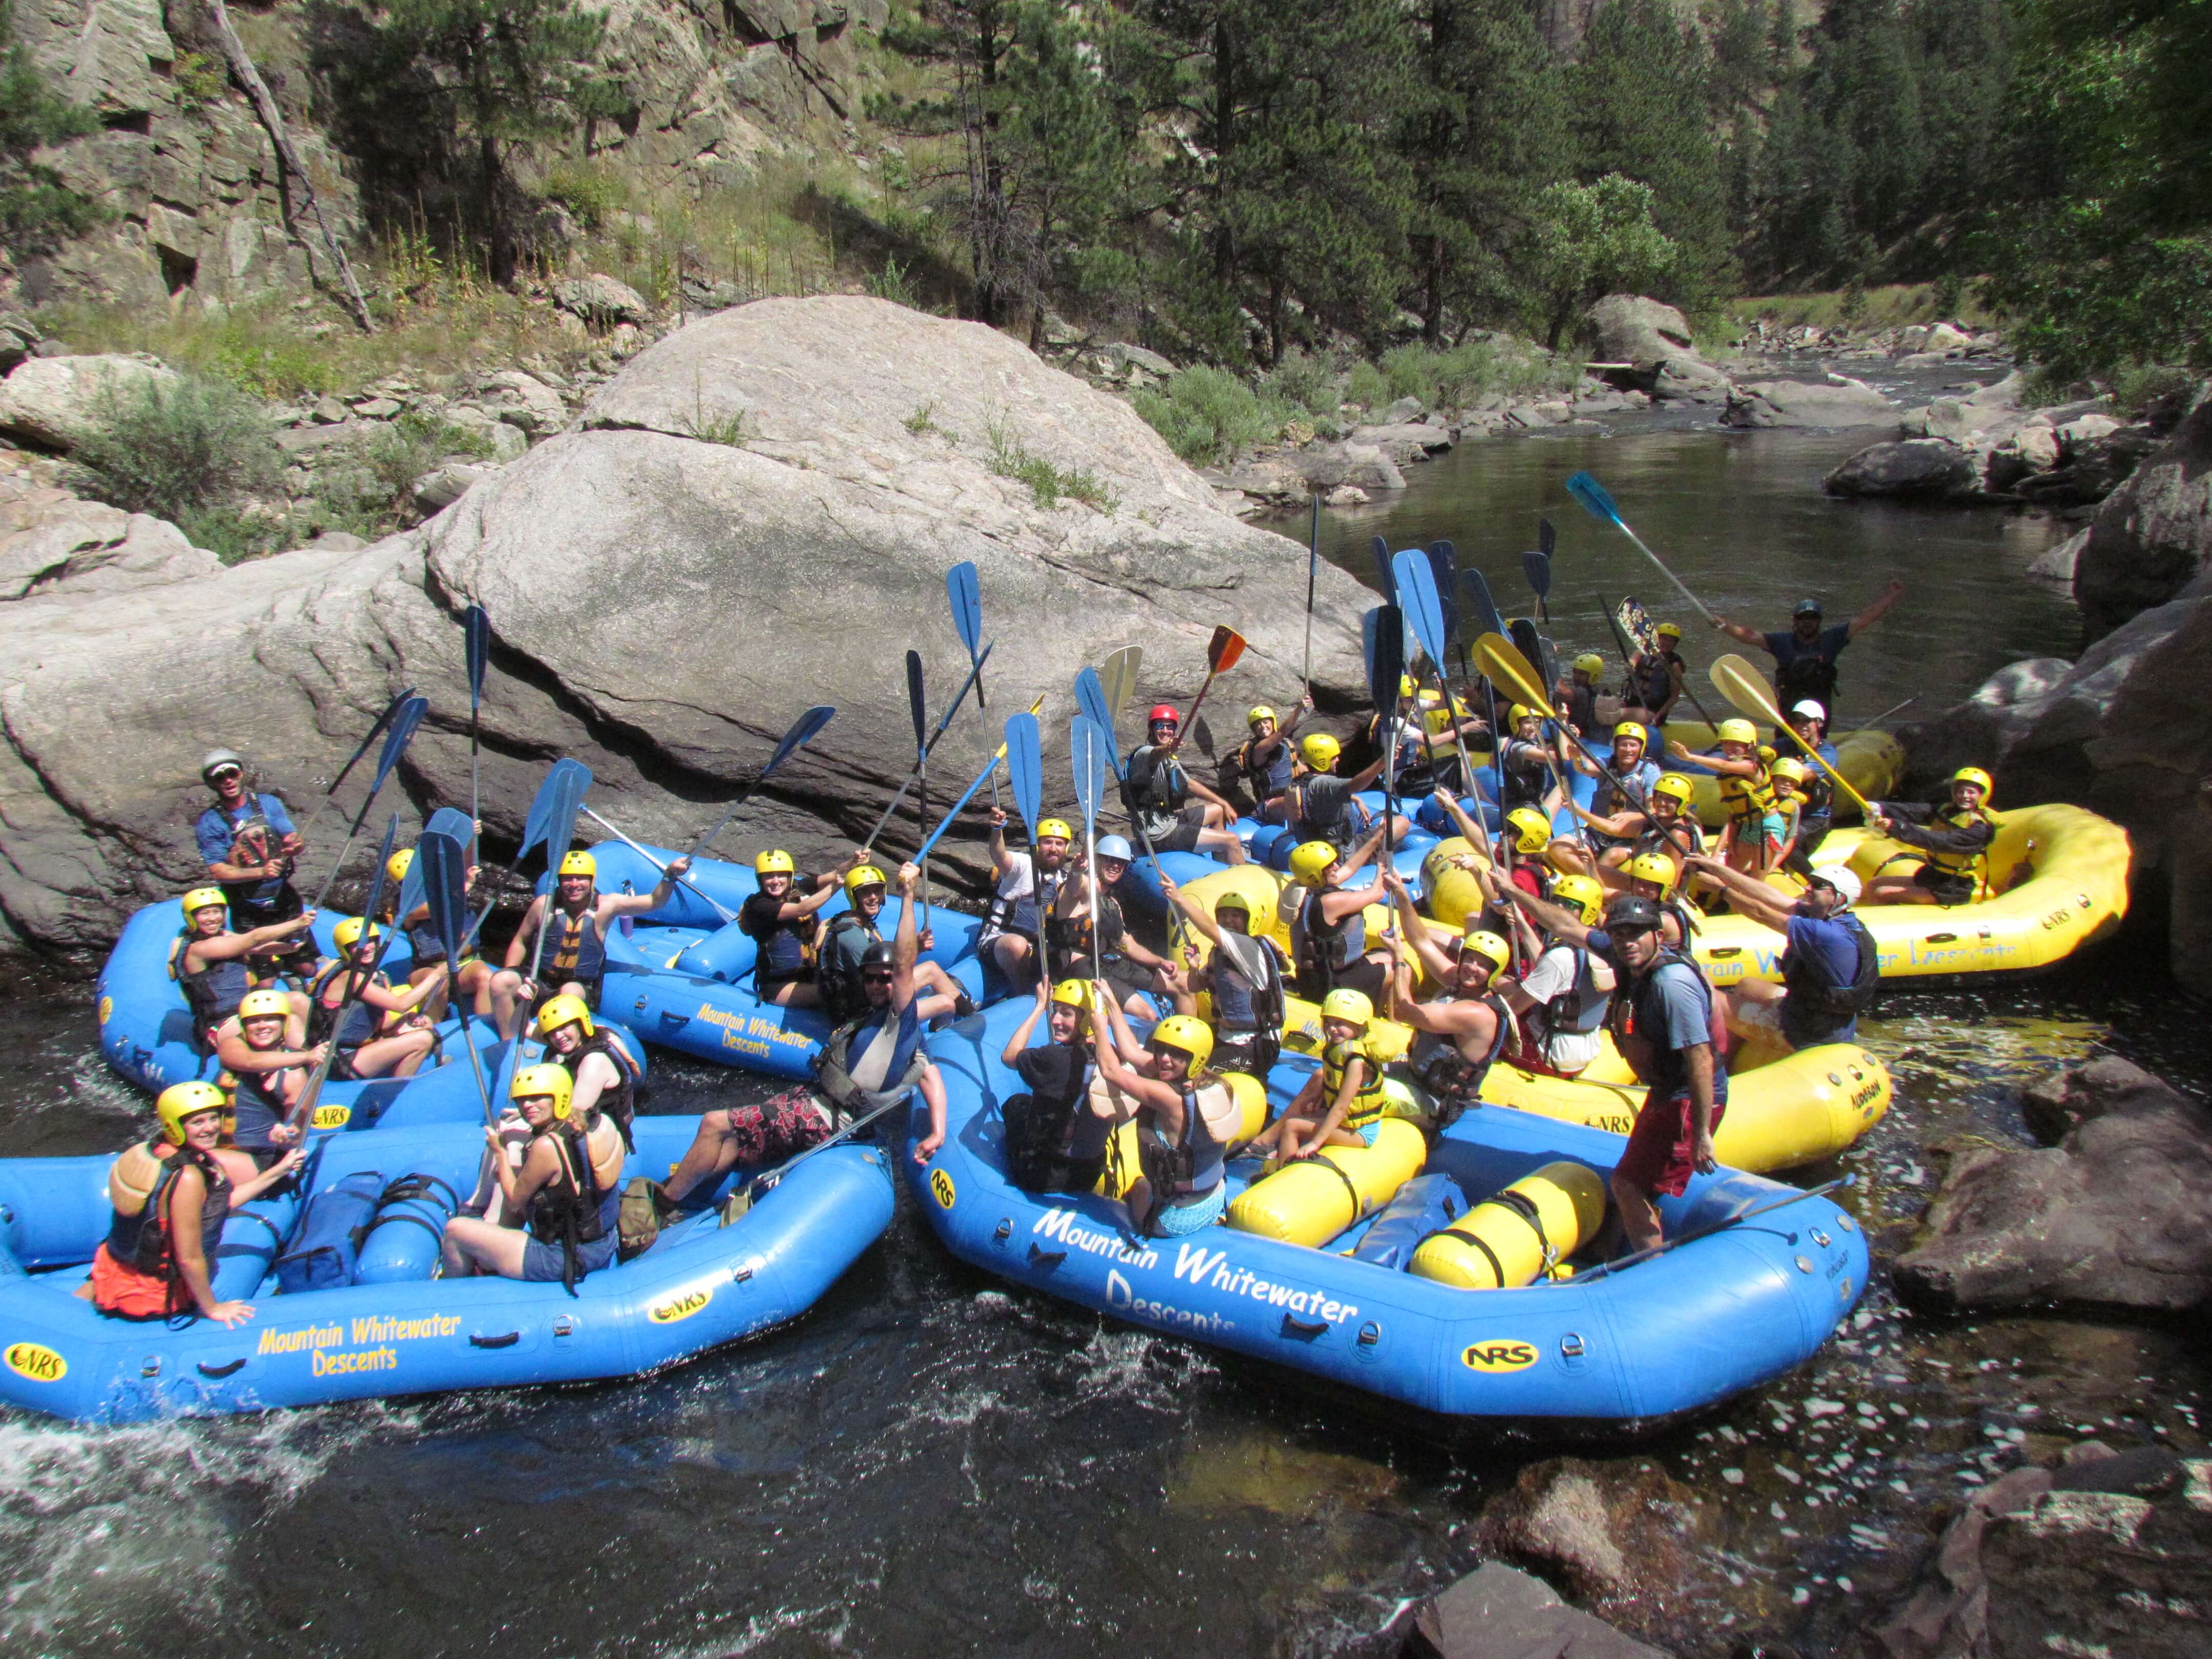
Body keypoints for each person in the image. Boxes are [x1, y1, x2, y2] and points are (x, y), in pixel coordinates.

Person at [649, 863, 948, 1215]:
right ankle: (689, 1196)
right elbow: (929, 1074)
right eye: (869, 979)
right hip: (812, 1101)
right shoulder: (891, 1026)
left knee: (714, 1122)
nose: (877, 986)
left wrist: (909, 894)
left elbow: (902, 966)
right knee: (733, 1138)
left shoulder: (897, 1020)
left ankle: (664, 1205)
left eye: (885, 980)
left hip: (824, 1118)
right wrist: (938, 1130)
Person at [86, 1081, 303, 1325]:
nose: (210, 1129)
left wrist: (277, 1172)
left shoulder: (153, 1151)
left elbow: (218, 1206)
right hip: (153, 1293)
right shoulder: (187, 1177)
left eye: (214, 1119)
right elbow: (189, 1258)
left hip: (112, 1270)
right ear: (175, 1126)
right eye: (197, 1122)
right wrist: (213, 1309)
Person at [1591, 894, 1728, 1251]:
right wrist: (1511, 894)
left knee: (1627, 1184)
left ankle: (1651, 1268)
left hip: (1684, 1099)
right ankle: (1635, 1244)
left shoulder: (1671, 985)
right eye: (1619, 935)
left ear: (1657, 935)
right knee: (1635, 1182)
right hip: (1667, 1091)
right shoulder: (1632, 963)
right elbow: (1568, 928)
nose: (1627, 942)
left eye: (1636, 933)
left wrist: (1701, 1134)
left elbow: (1700, 1058)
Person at [440, 1063, 627, 1288]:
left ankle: (449, 1298)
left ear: (559, 1096)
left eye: (538, 1098)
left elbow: (514, 1202)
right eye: (522, 1100)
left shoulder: (547, 1147)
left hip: (561, 1256)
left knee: (455, 1230)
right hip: (603, 1243)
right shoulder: (588, 1123)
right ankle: (488, 1260)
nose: (528, 1106)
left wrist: (500, 1151)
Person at [493, 849, 694, 1035]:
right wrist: (514, 973)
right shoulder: (543, 906)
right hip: (541, 980)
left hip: (578, 985)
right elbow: (520, 941)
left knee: (569, 994)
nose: (574, 884)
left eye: (581, 878)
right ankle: (508, 1040)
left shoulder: (607, 906)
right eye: (568, 879)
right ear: (559, 881)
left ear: (592, 880)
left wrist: (669, 876)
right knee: (501, 981)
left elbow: (654, 902)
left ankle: (556, 1043)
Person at [1688, 859, 1879, 1050]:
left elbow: (1760, 913)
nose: (1808, 888)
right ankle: (1731, 1057)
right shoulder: (1837, 920)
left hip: (1808, 1034)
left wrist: (1721, 891)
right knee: (1748, 986)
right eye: (1810, 882)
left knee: (1706, 997)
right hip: (1818, 1019)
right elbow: (1770, 896)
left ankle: (1715, 1066)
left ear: (1840, 898)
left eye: (1819, 886)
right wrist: (1717, 869)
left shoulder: (1825, 934)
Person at [1090, 1004, 1241, 1235]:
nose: (1165, 1059)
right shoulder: (1211, 1083)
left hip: (1177, 1217)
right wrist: (1111, 1005)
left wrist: (1100, 1030)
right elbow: (1131, 1051)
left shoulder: (1170, 1099)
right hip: (1214, 1197)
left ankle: (1148, 1228)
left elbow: (1111, 1071)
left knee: (1141, 1186)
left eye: (1177, 1054)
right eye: (1160, 1049)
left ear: (1195, 1059)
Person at [1379, 870, 1514, 1130]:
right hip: (1414, 1078)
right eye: (1470, 959)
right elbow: (1421, 941)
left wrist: (1398, 959)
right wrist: (1402, 896)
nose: (1472, 968)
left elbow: (1406, 1012)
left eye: (1483, 965)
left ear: (1494, 973)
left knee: (1355, 1086)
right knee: (1345, 1072)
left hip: (1436, 1102)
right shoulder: (1461, 983)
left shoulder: (1476, 1013)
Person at [1484, 869, 1615, 1080]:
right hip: (1580, 1050)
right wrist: (1521, 922)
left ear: (1588, 911)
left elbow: (1513, 1009)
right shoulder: (1600, 947)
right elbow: (1551, 967)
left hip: (1548, 1057)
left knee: (1490, 999)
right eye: (1557, 901)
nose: (1560, 908)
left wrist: (1478, 1007)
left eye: (1570, 906)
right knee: (1505, 983)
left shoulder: (1562, 957)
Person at [193, 748, 313, 970]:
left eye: (232, 773)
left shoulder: (269, 804)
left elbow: (292, 838)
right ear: (212, 783)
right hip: (246, 906)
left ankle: (292, 975)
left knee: (308, 968)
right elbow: (218, 871)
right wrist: (260, 872)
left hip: (282, 899)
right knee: (264, 977)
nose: (228, 781)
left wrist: (295, 845)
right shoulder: (209, 823)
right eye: (220, 777)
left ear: (241, 774)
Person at [1712, 583, 1906, 714]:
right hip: (1788, 706)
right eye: (1803, 619)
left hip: (1818, 709)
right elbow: (1750, 636)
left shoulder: (1832, 639)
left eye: (1812, 618)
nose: (1808, 623)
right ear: (1795, 622)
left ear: (1819, 621)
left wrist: (1892, 596)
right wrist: (1724, 625)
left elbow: (1865, 620)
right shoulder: (1782, 642)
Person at [1162, 877, 1288, 1077]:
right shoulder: (1219, 953)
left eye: (1236, 915)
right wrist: (1194, 967)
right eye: (1223, 915)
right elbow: (1195, 986)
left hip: (1255, 1043)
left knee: (1191, 1074)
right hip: (1227, 1036)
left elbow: (1210, 929)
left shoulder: (1248, 947)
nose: (1229, 920)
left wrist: (1179, 898)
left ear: (1249, 920)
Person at [1241, 988, 1390, 1159]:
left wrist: (1316, 1143)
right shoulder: (1342, 1050)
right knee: (1303, 1114)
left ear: (1359, 1025)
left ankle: (1283, 1169)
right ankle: (1275, 1148)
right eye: (1328, 1023)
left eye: (1340, 1023)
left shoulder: (1356, 1063)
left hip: (1360, 1132)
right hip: (1348, 1123)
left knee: (1292, 1126)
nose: (1332, 1029)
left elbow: (1341, 1108)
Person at [819, 863, 974, 1026]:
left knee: (931, 970)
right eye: (865, 892)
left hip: (870, 997)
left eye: (877, 890)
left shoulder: (860, 923)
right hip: (864, 1013)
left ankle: (967, 1015)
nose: (873, 897)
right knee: (943, 1000)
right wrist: (916, 949)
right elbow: (886, 979)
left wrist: (917, 947)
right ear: (853, 897)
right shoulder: (853, 938)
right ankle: (970, 1020)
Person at [997, 979, 1113, 1194]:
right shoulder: (1112, 1058)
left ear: (1087, 1018)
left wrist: (1039, 1007)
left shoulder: (1054, 1059)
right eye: (1054, 1011)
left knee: (1016, 1104)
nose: (1055, 1020)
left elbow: (1009, 1056)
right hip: (1088, 1175)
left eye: (1066, 1014)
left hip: (1044, 1176)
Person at [168, 886, 316, 1045]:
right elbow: (254, 939)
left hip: (246, 1009)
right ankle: (302, 1062)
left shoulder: (226, 936)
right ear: (191, 918)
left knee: (299, 1000)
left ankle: (318, 1046)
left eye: (216, 912)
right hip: (221, 1022)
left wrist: (290, 947)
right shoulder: (198, 949)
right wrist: (296, 924)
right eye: (205, 914)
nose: (212, 919)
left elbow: (257, 947)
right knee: (290, 1021)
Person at [1044, 844, 1175, 1017]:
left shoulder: (1112, 904)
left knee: (1180, 983)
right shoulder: (1084, 887)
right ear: (1096, 860)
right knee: (1147, 1014)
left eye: (1121, 863)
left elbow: (1127, 945)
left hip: (1106, 962)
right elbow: (1074, 886)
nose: (1115, 866)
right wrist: (1076, 871)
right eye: (1110, 859)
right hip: (1077, 964)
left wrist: (1160, 963)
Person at [308, 917, 445, 1079]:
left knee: (423, 1025)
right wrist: (436, 976)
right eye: (357, 945)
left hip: (362, 1048)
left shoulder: (379, 978)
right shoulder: (350, 979)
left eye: (370, 941)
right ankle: (397, 1089)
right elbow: (400, 1005)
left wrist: (405, 1019)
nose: (366, 948)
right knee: (423, 1040)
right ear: (345, 950)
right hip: (337, 1058)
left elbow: (383, 1026)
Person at [211, 986, 326, 1164]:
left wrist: (287, 1135)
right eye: (254, 1021)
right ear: (244, 1027)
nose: (262, 1026)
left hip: (261, 1156)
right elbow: (251, 1062)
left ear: (285, 1024)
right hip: (223, 1148)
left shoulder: (294, 1075)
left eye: (271, 1019)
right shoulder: (232, 1046)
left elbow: (296, 1129)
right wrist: (307, 1056)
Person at [1121, 704, 1246, 862]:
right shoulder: (1143, 754)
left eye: (1170, 727)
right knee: (1232, 840)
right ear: (1151, 729)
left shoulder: (1169, 760)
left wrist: (1224, 803)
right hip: (1158, 836)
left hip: (1170, 820)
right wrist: (1167, 748)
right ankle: (1243, 882)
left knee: (1218, 810)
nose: (1165, 731)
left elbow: (1190, 784)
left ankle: (1221, 863)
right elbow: (1154, 755)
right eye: (1160, 726)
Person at [386, 846, 495, 1025]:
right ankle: (433, 1030)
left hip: (463, 966)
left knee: (485, 976)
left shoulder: (446, 889)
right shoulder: (406, 907)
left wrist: (470, 837)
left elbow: (465, 864)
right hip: (429, 969)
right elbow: (432, 909)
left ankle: (484, 1029)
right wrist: (464, 887)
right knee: (437, 983)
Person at [1864, 767, 1997, 906]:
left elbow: (1939, 841)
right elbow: (1915, 811)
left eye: (1971, 793)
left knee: (1882, 893)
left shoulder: (1980, 829)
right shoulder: (1948, 811)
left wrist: (1895, 827)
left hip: (1952, 887)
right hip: (1932, 876)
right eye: (1960, 791)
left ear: (1983, 795)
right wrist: (1881, 808)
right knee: (1875, 884)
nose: (1965, 796)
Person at [1285, 832, 1393, 1002]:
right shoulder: (1331, 902)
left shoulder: (1305, 890)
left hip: (1316, 979)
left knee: (1389, 955)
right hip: (1332, 984)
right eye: (1331, 865)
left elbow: (1349, 868)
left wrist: (1376, 839)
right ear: (1317, 873)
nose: (1336, 867)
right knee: (1400, 969)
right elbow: (1378, 893)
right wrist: (1381, 868)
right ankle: (1382, 1018)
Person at [1670, 719, 1782, 877]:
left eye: (1735, 744)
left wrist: (1690, 757)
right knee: (1730, 873)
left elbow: (1722, 765)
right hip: (1747, 826)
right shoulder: (1729, 773)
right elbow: (1734, 812)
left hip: (1767, 826)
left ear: (1749, 745)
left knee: (1757, 879)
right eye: (1726, 743)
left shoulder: (1751, 766)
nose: (1729, 748)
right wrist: (1731, 843)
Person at [979, 810, 1075, 988]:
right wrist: (997, 829)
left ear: (1066, 849)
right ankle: (1021, 992)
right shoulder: (1022, 865)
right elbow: (999, 854)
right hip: (999, 941)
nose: (1053, 849)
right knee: (1017, 944)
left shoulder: (1066, 878)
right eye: (1048, 843)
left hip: (1037, 947)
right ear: (1037, 845)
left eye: (1059, 844)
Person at [535, 993, 643, 1147]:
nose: (558, 1037)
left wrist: (533, 1115)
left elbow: (574, 1116)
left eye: (564, 1027)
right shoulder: (579, 1044)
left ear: (580, 1025)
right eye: (552, 1033)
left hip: (602, 1143)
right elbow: (522, 1029)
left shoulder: (595, 1062)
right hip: (584, 1132)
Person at [1281, 733, 1395, 855]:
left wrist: (1356, 800)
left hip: (1315, 851)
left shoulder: (1301, 782)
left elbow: (1322, 796)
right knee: (1401, 824)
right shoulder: (1326, 783)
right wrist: (1383, 761)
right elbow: (1357, 784)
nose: (1338, 760)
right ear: (1322, 760)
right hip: (1342, 853)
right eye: (1334, 757)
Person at [1777, 702, 1840, 870]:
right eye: (1797, 720)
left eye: (1807, 721)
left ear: (1819, 723)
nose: (1801, 725)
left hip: (1814, 818)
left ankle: (1815, 882)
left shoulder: (1827, 753)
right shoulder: (1783, 746)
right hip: (1785, 813)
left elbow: (1802, 775)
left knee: (1786, 844)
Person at [1227, 697, 1312, 821]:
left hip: (1292, 794)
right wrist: (1299, 709)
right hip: (1269, 804)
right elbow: (1281, 733)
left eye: (1266, 722)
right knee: (1297, 800)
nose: (1262, 727)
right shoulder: (1258, 749)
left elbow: (1302, 770)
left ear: (1273, 723)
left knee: (1314, 794)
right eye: (1258, 725)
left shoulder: (1287, 745)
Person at [1497, 704, 1567, 814]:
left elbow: (1563, 749)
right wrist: (1562, 722)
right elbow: (1563, 757)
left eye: (1537, 723)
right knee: (1561, 789)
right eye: (1528, 722)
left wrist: (1571, 735)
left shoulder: (1531, 745)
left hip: (1532, 804)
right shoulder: (1519, 748)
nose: (1533, 727)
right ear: (1516, 724)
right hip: (1521, 809)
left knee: (1561, 789)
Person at [1623, 624, 1685, 723]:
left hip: (1653, 711)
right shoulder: (1643, 652)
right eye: (1664, 639)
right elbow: (1634, 659)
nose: (1667, 643)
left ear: (1675, 644)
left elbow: (1674, 697)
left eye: (1671, 640)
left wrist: (1658, 717)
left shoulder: (1674, 666)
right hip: (1633, 703)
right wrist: (1631, 666)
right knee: (1606, 706)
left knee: (1616, 715)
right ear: (1656, 638)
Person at [1565, 654, 1606, 736]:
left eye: (1581, 674)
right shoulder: (1601, 691)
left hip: (1582, 736)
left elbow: (1560, 692)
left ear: (1594, 676)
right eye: (1575, 672)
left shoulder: (1581, 692)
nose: (1576, 677)